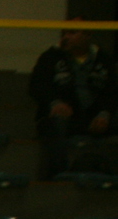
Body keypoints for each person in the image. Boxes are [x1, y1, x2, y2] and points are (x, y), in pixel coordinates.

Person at [30, 20, 116, 178]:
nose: (66, 37)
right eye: (64, 33)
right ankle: (58, 177)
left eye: (72, 33)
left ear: (87, 35)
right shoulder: (50, 57)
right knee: (55, 124)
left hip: (95, 117)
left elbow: (112, 91)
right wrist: (54, 103)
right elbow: (37, 86)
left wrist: (104, 113)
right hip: (63, 116)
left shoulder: (104, 59)